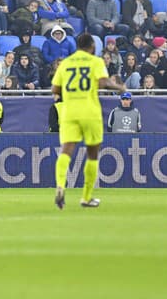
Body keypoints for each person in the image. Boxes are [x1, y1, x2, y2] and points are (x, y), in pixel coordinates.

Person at [52, 33, 126, 210]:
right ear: (92, 46)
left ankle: (60, 185)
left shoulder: (66, 63)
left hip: (69, 112)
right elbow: (102, 83)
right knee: (92, 154)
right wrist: (120, 87)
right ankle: (86, 197)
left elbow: (55, 89)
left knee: (66, 151)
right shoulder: (95, 62)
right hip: (90, 111)